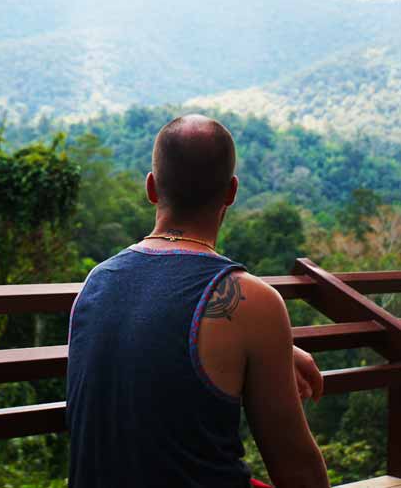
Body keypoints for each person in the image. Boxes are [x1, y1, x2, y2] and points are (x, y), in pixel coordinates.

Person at [67, 114, 330, 488]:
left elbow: (153, 339)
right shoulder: (250, 301)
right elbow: (297, 468)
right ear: (231, 192)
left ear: (152, 187)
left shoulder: (96, 283)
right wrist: (265, 349)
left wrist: (271, 352)